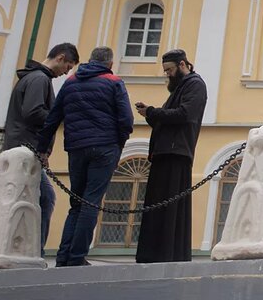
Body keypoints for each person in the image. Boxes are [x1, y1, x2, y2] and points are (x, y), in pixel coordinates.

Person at [36, 46, 133, 267]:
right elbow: (126, 120)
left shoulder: (70, 82)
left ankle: (63, 257)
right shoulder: (114, 81)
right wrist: (118, 144)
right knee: (91, 202)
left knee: (76, 203)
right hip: (105, 147)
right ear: (110, 64)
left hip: (76, 148)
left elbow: (52, 118)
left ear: (89, 61)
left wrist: (43, 149)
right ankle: (77, 257)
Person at [3, 42, 79, 255]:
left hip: (23, 147)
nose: (67, 73)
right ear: (60, 58)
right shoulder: (39, 79)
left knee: (27, 201)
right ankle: (35, 251)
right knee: (45, 199)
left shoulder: (32, 77)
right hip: (26, 149)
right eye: (68, 66)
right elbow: (34, 112)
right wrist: (59, 117)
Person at [134, 49, 207, 263]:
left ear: (183, 65)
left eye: (170, 70)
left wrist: (153, 112)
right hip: (166, 151)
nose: (167, 74)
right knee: (160, 205)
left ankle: (167, 253)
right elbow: (169, 118)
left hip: (176, 152)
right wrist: (151, 115)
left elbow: (185, 115)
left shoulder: (195, 85)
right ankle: (154, 252)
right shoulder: (181, 88)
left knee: (170, 207)